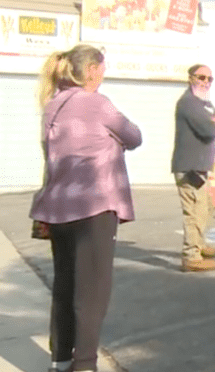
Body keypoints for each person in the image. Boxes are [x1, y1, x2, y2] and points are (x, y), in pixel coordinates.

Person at [30, 44, 142, 372]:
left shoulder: (52, 105)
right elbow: (134, 136)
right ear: (92, 70)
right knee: (91, 295)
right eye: (103, 68)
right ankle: (85, 364)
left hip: (57, 210)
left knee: (64, 287)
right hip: (94, 209)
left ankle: (60, 360)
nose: (104, 74)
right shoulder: (97, 104)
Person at [172, 64, 215, 272]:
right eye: (201, 77)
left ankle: (199, 243)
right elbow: (208, 130)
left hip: (203, 167)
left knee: (207, 207)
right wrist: (214, 123)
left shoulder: (205, 104)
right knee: (194, 212)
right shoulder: (188, 103)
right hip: (190, 167)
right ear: (190, 78)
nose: (205, 82)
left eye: (209, 79)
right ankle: (191, 256)